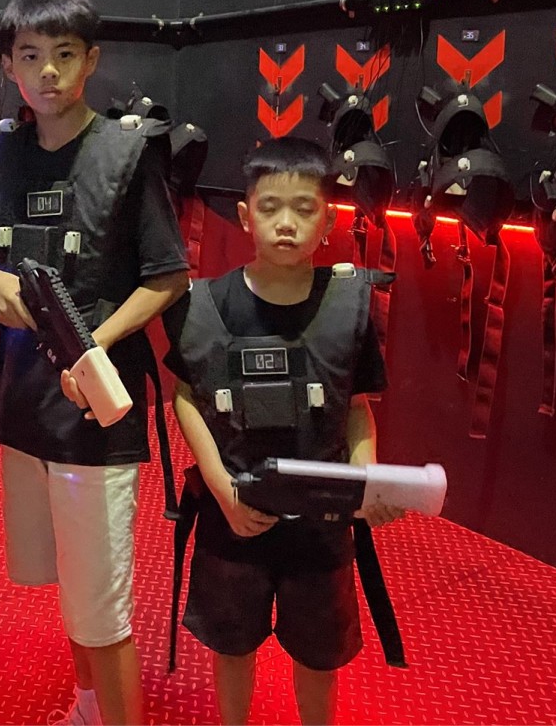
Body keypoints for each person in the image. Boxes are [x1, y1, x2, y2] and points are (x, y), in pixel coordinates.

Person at [0, 0, 189, 725]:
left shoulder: (127, 152)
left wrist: (95, 342)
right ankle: (88, 706)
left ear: (91, 60)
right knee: (71, 585)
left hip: (98, 411)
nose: (47, 72)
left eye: (63, 54)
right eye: (30, 56)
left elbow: (169, 275)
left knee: (103, 602)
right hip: (26, 402)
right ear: (9, 66)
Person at [163, 137, 406, 726]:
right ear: (245, 215)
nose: (287, 223)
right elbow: (186, 396)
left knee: (320, 656)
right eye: (270, 207)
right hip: (232, 512)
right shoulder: (205, 302)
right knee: (232, 646)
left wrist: (366, 478)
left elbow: (356, 407)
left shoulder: (348, 304)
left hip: (321, 524)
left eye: (304, 208)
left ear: (329, 221)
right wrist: (219, 485)